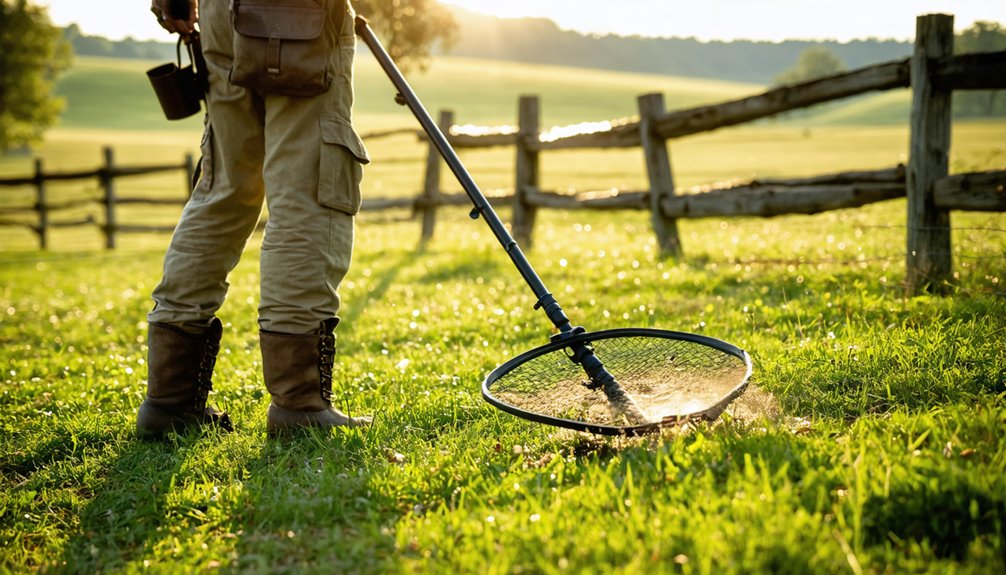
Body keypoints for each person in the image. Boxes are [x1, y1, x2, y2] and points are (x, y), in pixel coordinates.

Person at [137, 0, 371, 437]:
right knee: (307, 193)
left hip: (221, 15)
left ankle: (168, 402)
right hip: (304, 15)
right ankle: (299, 402)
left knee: (223, 193)